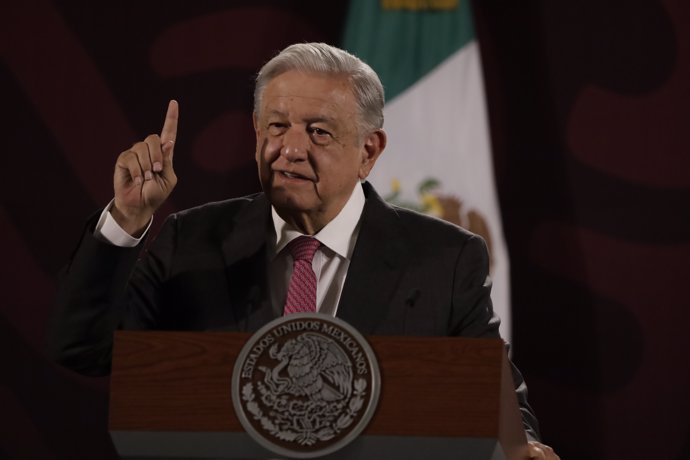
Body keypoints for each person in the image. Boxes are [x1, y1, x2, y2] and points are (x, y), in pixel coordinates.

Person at [48, 42, 559, 459]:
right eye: (276, 126)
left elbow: (492, 392)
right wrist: (126, 222)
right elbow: (84, 350)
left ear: (369, 151)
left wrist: (525, 448)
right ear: (255, 134)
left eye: (317, 131)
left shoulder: (445, 257)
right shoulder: (193, 240)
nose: (290, 148)